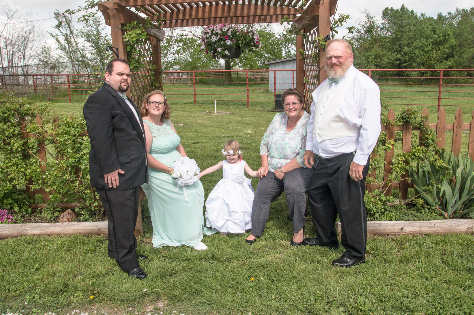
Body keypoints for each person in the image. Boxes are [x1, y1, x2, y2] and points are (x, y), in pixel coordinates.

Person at [303, 39, 381, 267]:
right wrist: (310, 147)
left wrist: (360, 159)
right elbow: (314, 121)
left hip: (348, 156)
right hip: (323, 155)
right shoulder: (325, 85)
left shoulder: (365, 85)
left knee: (350, 206)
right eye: (329, 57)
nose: (333, 61)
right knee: (318, 198)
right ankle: (326, 238)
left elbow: (371, 125)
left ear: (350, 57)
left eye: (338, 56)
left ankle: (355, 253)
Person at [83, 59, 148, 279]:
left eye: (128, 75)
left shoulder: (121, 98)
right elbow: (100, 139)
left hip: (128, 170)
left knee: (125, 215)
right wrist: (110, 168)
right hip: (115, 173)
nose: (125, 78)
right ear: (107, 75)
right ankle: (128, 262)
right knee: (122, 217)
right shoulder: (99, 100)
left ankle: (117, 252)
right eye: (120, 74)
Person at [139, 90, 214, 251]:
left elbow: (178, 144)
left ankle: (193, 230)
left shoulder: (167, 122)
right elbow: (145, 156)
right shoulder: (145, 125)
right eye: (153, 102)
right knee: (182, 196)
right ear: (146, 104)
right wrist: (170, 170)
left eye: (161, 103)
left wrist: (187, 164)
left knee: (196, 189)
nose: (157, 106)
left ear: (165, 106)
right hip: (158, 171)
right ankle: (184, 235)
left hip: (178, 167)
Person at [245, 88, 312, 246]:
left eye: (294, 103)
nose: (290, 107)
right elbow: (264, 142)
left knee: (294, 188)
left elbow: (305, 154)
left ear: (302, 104)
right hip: (273, 166)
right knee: (262, 192)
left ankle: (298, 230)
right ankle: (256, 230)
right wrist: (265, 165)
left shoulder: (308, 122)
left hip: (297, 167)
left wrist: (283, 170)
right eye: (287, 104)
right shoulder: (277, 118)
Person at [200, 140, 259, 234]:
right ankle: (223, 226)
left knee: (239, 206)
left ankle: (242, 225)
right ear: (224, 154)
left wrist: (259, 173)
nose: (231, 157)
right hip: (225, 189)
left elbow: (251, 173)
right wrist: (201, 174)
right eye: (228, 155)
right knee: (223, 206)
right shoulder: (223, 163)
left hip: (239, 190)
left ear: (239, 154)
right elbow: (212, 168)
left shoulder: (242, 163)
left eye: (233, 155)